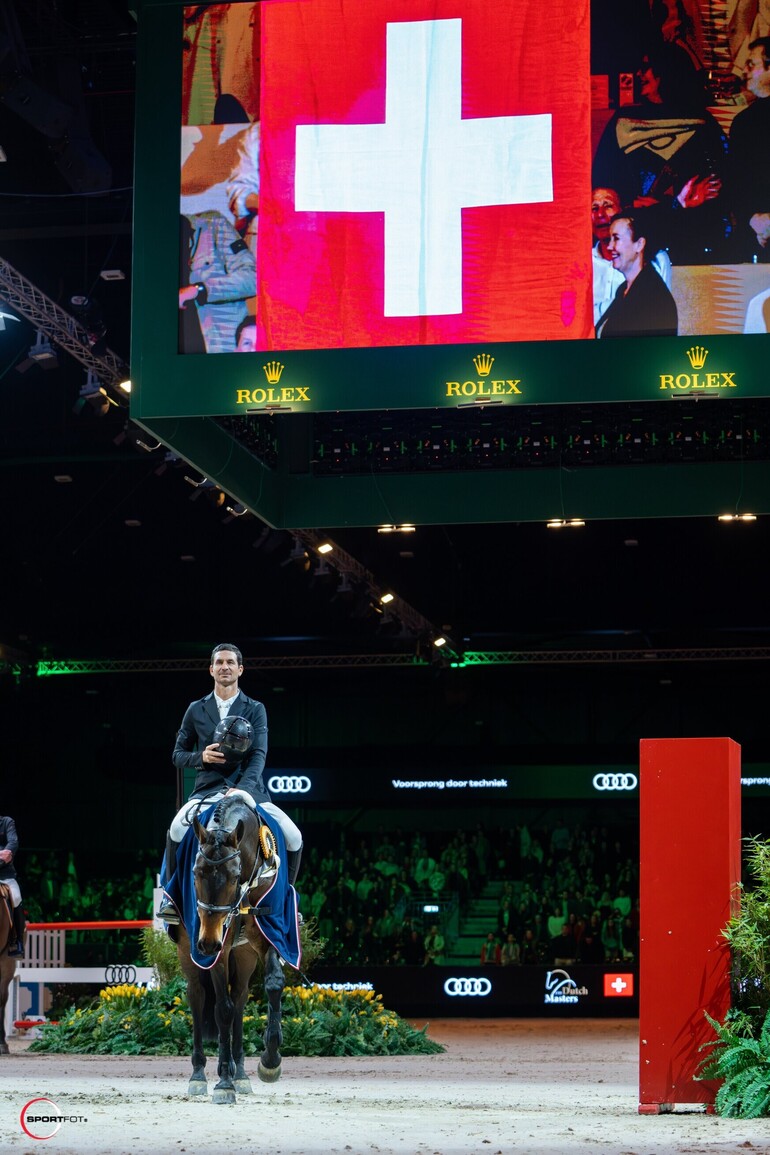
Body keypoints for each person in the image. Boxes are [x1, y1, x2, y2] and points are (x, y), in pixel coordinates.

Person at [157, 643, 302, 924]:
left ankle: (288, 900)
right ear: (211, 669)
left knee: (294, 836)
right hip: (208, 789)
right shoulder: (195, 709)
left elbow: (259, 754)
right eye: (219, 662)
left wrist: (244, 789)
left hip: (249, 790)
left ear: (240, 669)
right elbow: (177, 755)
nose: (225, 667)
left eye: (230, 663)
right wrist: (201, 756)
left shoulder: (256, 708)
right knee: (175, 829)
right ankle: (171, 898)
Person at [592, 43, 726, 262]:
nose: (639, 74)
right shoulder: (623, 121)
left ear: (667, 71)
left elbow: (714, 187)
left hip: (686, 239)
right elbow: (603, 182)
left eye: (647, 67)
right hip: (632, 239)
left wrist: (674, 207)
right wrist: (625, 206)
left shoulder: (703, 124)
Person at [591, 186, 673, 326]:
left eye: (608, 206)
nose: (600, 215)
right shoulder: (582, 262)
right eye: (594, 208)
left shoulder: (656, 260)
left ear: (622, 212)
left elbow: (658, 315)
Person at [179, 211, 256, 353]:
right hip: (181, 360)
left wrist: (199, 289)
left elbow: (252, 278)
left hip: (224, 351)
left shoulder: (213, 225)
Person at [596, 209, 678, 337]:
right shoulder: (623, 290)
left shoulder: (654, 299)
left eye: (616, 238)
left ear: (639, 244)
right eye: (610, 238)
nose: (609, 246)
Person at [727, 37, 770, 261]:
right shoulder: (743, 122)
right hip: (753, 237)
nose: (744, 71)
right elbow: (735, 180)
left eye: (751, 65)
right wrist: (753, 219)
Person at [0, 813, 25, 957]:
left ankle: (18, 941)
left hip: (6, 876)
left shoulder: (7, 822)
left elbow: (12, 845)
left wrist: (5, 856)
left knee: (16, 898)